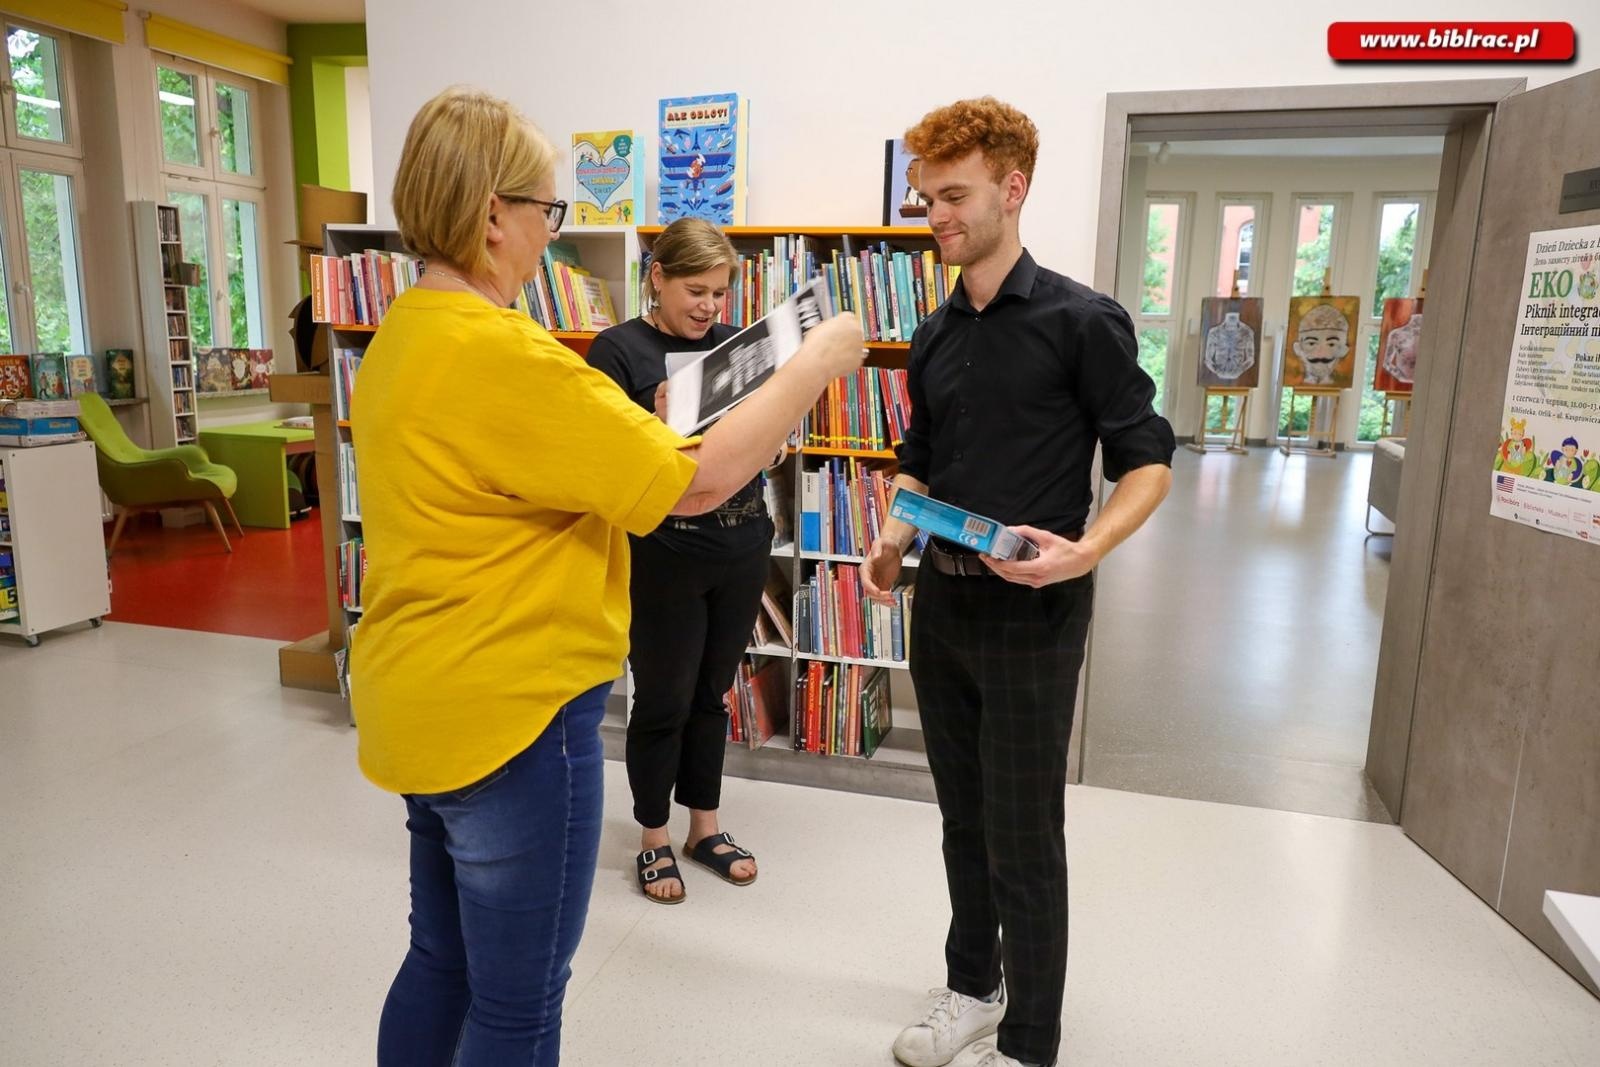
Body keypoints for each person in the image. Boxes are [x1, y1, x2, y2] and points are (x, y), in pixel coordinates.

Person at [350, 86, 863, 1067]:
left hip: (419, 694)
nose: (552, 232)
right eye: (547, 209)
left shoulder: (405, 337)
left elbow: (535, 463)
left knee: (441, 959)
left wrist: (664, 414)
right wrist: (813, 360)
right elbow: (701, 481)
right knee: (518, 998)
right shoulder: (505, 354)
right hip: (513, 709)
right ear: (491, 213)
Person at [860, 98, 1175, 1067]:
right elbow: (918, 455)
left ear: (1013, 188)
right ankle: (972, 986)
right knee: (961, 813)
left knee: (1024, 827)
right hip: (942, 598)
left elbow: (1147, 458)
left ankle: (1029, 1039)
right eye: (924, 199)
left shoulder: (1083, 321)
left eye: (952, 196)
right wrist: (889, 533)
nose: (935, 216)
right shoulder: (936, 328)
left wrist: (1087, 550)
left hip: (1035, 608)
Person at [588, 219, 775, 904]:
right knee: (663, 697)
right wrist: (658, 424)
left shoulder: (734, 347)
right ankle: (653, 837)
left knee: (711, 694)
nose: (709, 307)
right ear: (657, 277)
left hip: (743, 541)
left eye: (721, 294)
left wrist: (771, 441)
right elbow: (606, 464)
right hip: (663, 550)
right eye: (696, 290)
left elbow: (765, 445)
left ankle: (705, 826)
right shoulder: (617, 351)